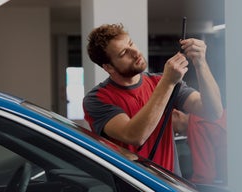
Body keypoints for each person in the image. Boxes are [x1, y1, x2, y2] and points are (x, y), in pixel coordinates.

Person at [83, 23, 223, 176]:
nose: (135, 52)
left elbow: (213, 111)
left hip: (167, 184)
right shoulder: (97, 99)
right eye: (124, 53)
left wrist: (200, 63)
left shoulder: (160, 82)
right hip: (130, 185)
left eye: (131, 43)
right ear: (108, 67)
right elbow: (135, 135)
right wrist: (167, 82)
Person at [172, 109, 227, 185]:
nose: (172, 133)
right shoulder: (205, 114)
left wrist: (183, 188)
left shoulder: (195, 124)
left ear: (176, 114)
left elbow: (204, 177)